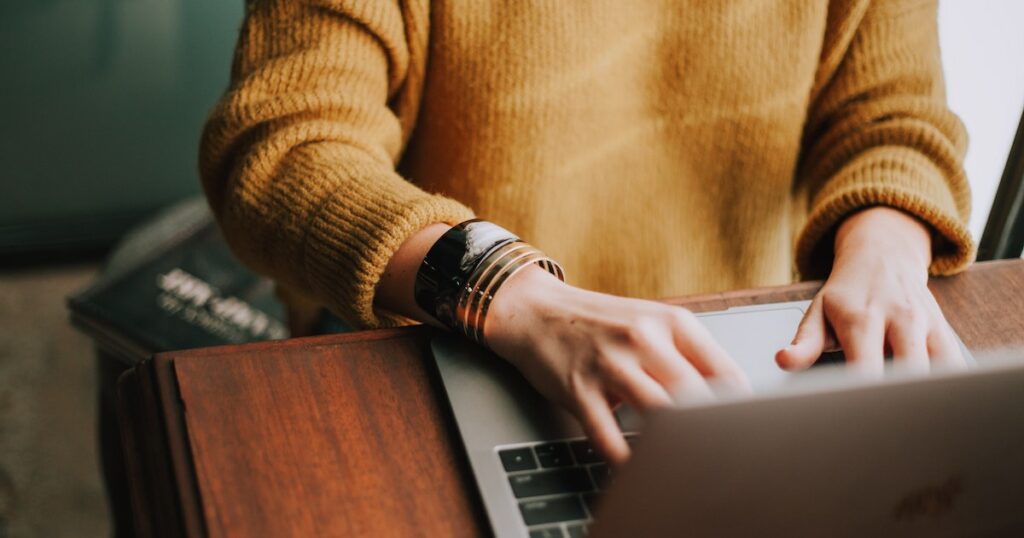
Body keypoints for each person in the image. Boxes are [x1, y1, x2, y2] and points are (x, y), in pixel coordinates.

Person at [199, 0, 974, 465]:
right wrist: (509, 293)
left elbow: (893, 117)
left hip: (740, 365)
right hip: (447, 344)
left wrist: (887, 245)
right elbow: (283, 147)